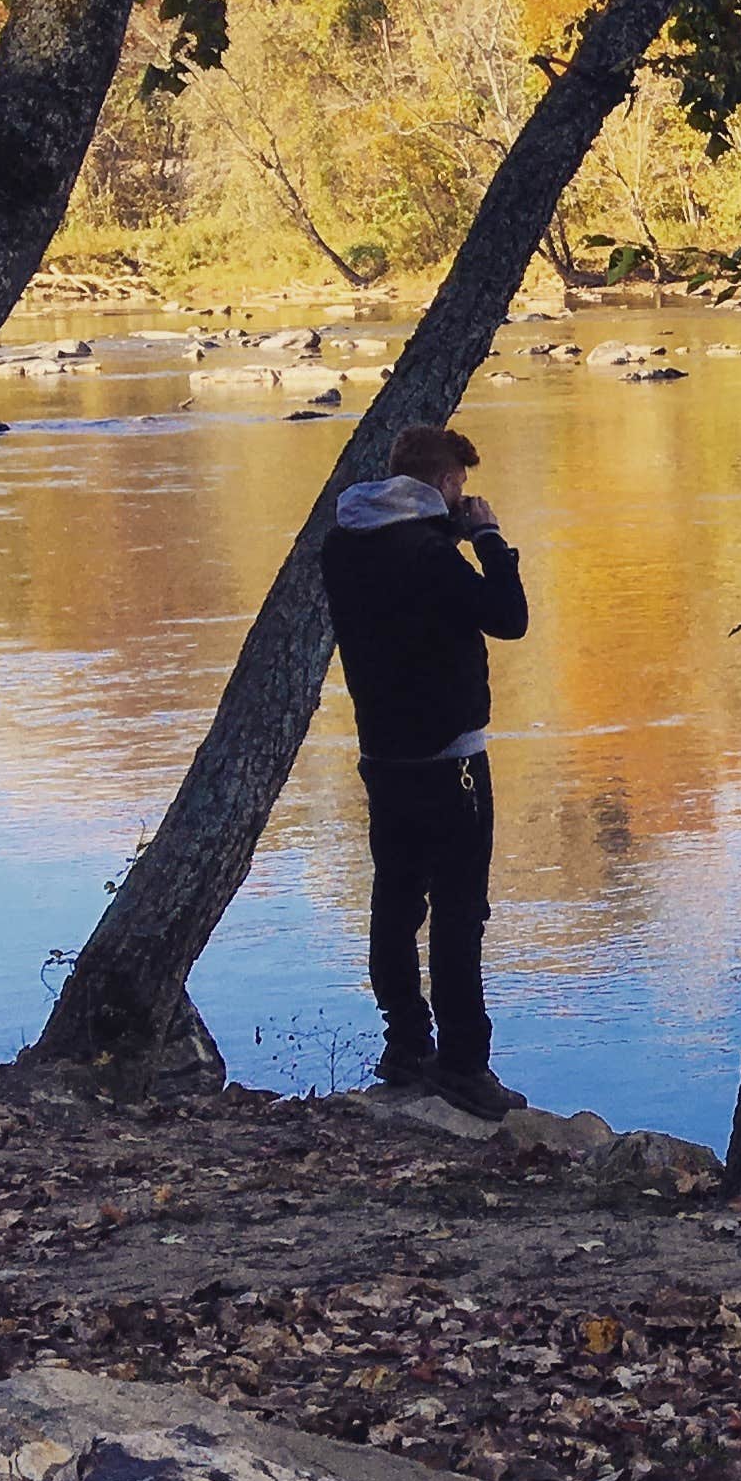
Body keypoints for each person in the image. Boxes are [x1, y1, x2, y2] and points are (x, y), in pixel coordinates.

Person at [321, 420, 529, 1117]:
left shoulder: (342, 545)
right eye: (461, 487)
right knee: (459, 912)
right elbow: (508, 616)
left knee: (395, 901)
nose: (466, 497)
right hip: (451, 761)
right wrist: (490, 539)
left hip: (382, 755)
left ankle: (406, 1046)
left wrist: (448, 534)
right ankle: (464, 1063)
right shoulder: (431, 554)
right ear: (445, 485)